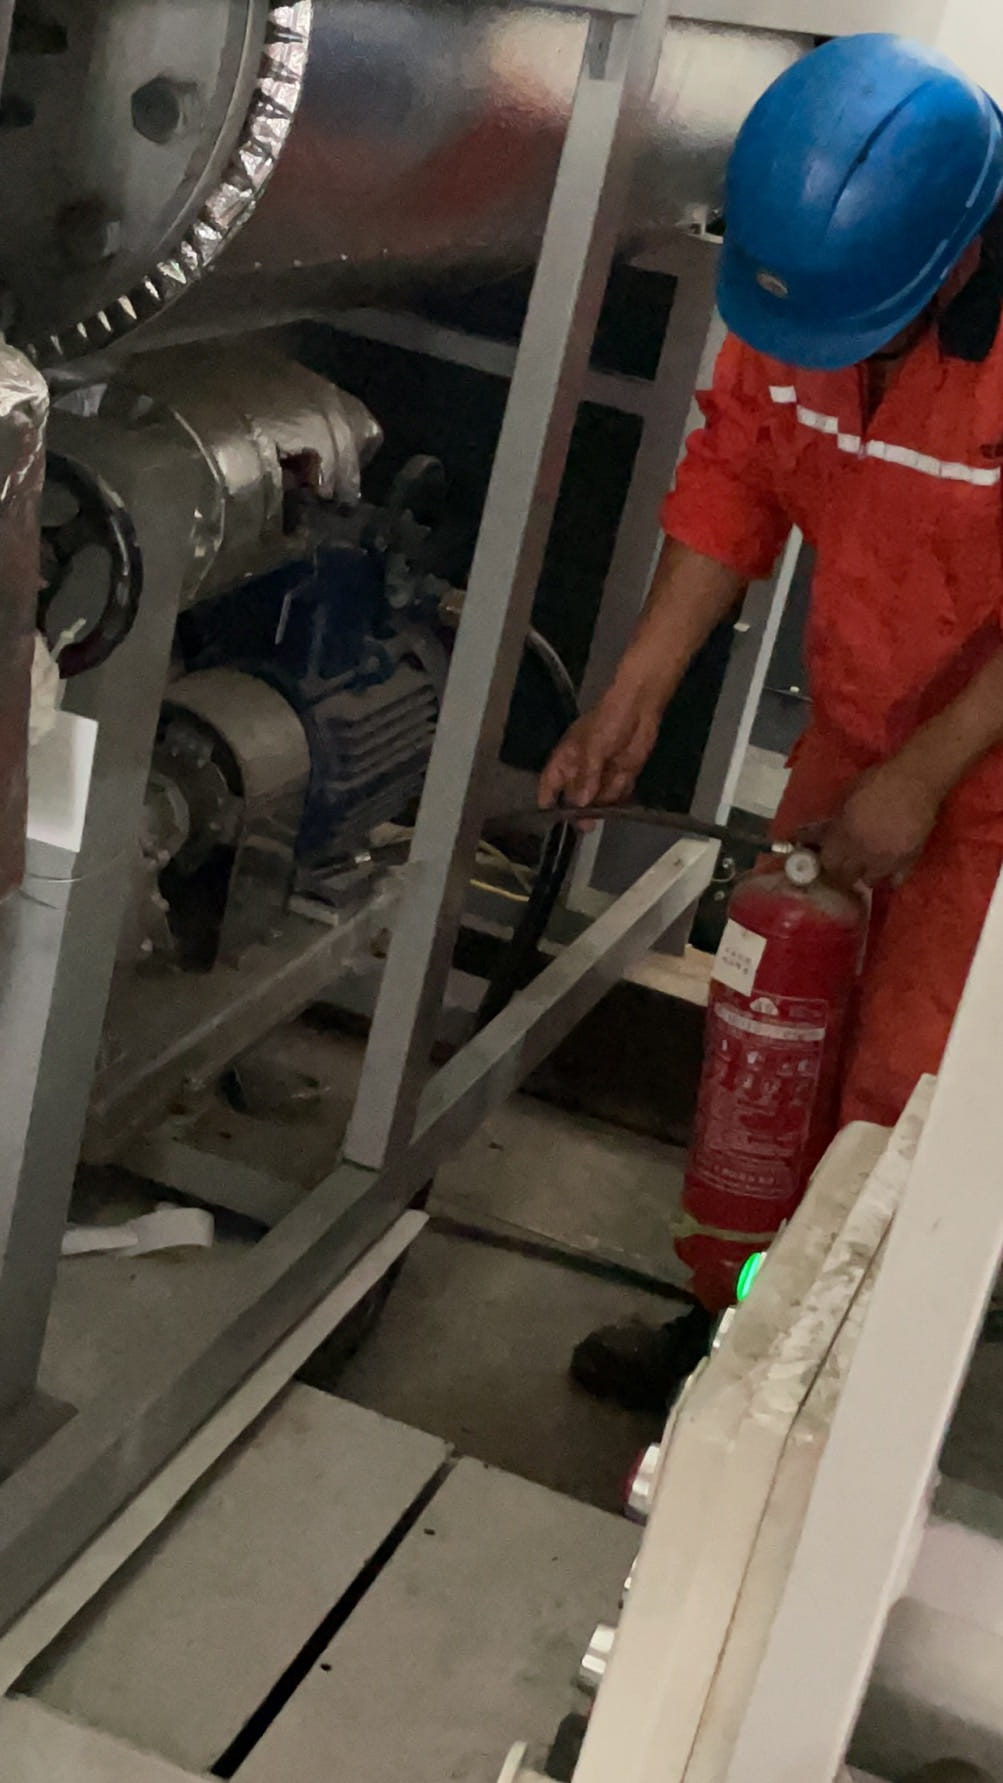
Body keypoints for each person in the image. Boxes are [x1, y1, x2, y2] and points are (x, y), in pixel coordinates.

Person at [539, 33, 1003, 1414]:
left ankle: (827, 1400)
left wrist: (927, 775)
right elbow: (739, 471)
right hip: (859, 734)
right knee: (773, 1036)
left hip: (984, 780)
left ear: (958, 259)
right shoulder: (806, 282)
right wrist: (635, 693)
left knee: (908, 1089)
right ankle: (726, 1333)